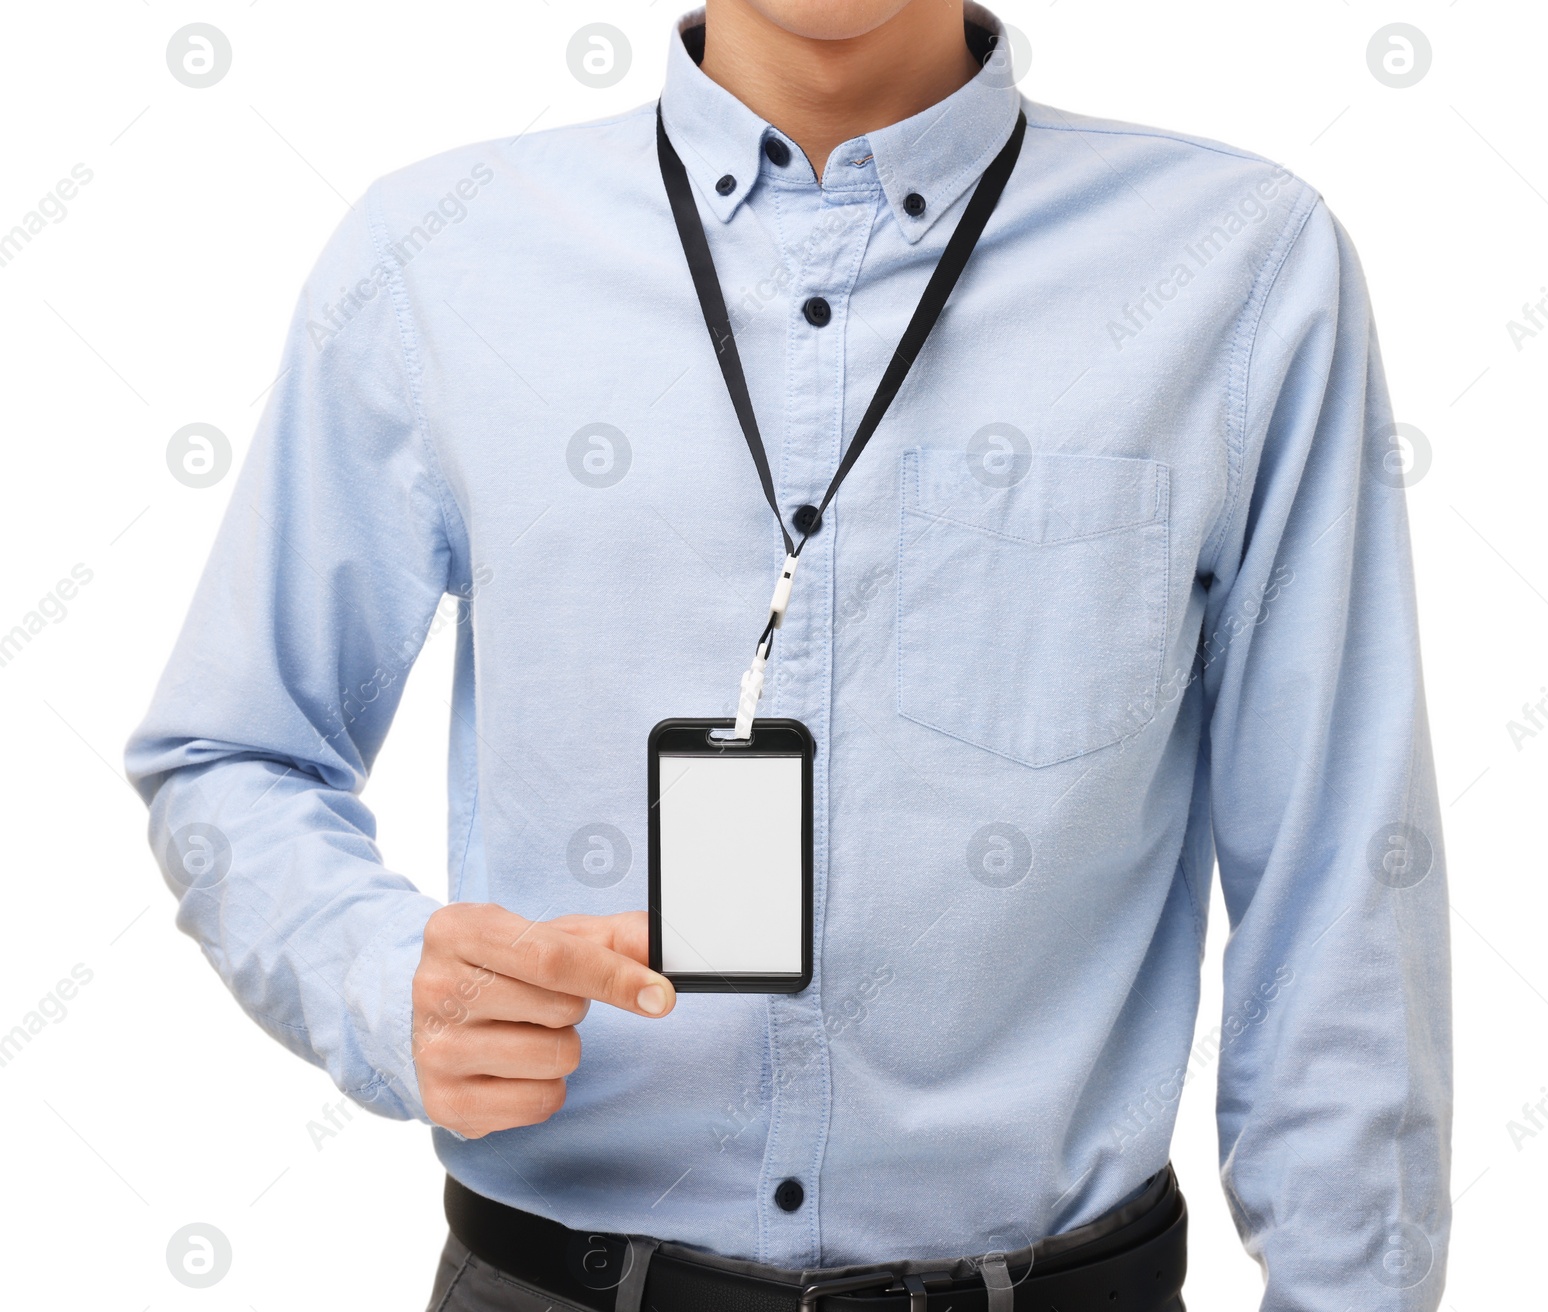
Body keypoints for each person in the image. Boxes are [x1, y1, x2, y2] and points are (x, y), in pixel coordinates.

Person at [125, 2, 1452, 1309]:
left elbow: (1340, 872)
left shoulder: (1240, 264)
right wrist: (374, 979)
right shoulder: (437, 257)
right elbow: (232, 749)